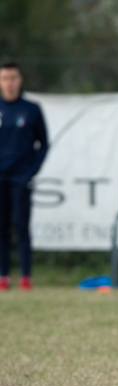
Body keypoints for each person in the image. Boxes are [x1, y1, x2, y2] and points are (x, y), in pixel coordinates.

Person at [0, 61, 48, 291]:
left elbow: (44, 144)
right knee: (1, 227)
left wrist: (31, 170)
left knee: (21, 227)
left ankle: (25, 276)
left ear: (19, 80)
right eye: (5, 78)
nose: (9, 82)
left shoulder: (31, 109)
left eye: (13, 78)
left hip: (21, 178)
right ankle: (3, 276)